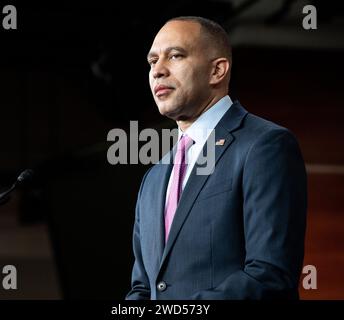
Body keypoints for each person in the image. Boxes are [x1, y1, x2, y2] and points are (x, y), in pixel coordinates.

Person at [126, 16, 307, 300]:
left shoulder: (265, 146)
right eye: (152, 61)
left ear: (217, 70)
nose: (158, 71)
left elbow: (270, 274)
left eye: (175, 56)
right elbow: (142, 287)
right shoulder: (153, 177)